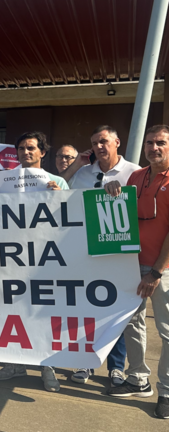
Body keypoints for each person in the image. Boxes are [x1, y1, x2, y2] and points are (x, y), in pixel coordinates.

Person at [0, 131, 68, 392]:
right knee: (13, 311)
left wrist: (60, 197)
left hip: (45, 258)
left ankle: (47, 367)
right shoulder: (5, 181)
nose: (25, 152)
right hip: (11, 257)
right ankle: (15, 363)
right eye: (21, 148)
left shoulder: (58, 182)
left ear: (43, 152)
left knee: (44, 313)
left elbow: (71, 218)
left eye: (31, 148)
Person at [60, 126, 140, 386]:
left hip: (120, 253)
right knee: (89, 309)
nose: (99, 147)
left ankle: (116, 367)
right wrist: (78, 164)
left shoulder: (135, 172)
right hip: (85, 253)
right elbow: (58, 191)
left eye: (104, 141)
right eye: (94, 143)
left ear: (117, 142)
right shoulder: (83, 173)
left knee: (117, 312)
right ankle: (86, 362)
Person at [103, 124, 169, 419]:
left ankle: (166, 391)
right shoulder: (137, 176)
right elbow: (122, 210)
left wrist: (156, 272)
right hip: (132, 264)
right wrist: (110, 190)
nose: (154, 148)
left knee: (167, 333)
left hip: (162, 270)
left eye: (161, 143)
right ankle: (138, 379)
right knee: (133, 324)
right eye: (150, 143)